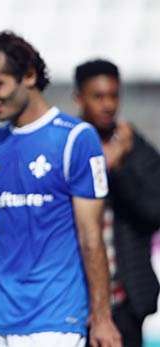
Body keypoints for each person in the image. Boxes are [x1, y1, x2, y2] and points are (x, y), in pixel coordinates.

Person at [0, 31, 122, 347]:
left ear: (28, 75)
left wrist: (102, 317)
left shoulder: (75, 138)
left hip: (54, 322)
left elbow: (91, 237)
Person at [75, 59, 160, 347]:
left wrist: (120, 167)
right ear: (79, 97)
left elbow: (154, 210)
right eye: (98, 96)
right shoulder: (67, 145)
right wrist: (104, 164)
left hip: (125, 301)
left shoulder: (134, 147)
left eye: (113, 95)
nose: (108, 105)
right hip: (74, 302)